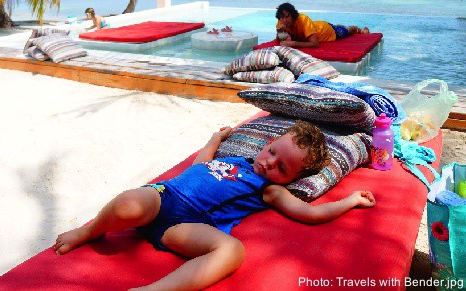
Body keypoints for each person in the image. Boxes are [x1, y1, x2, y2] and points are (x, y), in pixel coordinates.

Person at [54, 120, 376, 290]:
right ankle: (90, 231)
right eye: (273, 153)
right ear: (268, 144)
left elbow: (310, 213)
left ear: (290, 179)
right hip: (163, 196)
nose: (270, 164)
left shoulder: (270, 190)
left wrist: (350, 201)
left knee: (232, 251)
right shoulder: (236, 158)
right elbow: (199, 166)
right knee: (127, 203)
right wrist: (214, 140)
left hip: (185, 225)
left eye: (282, 168)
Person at [275, 2, 369, 48]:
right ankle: (339, 26)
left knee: (347, 31)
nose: (284, 20)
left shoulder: (303, 19)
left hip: (326, 31)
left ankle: (359, 29)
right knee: (338, 26)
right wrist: (279, 32)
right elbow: (282, 40)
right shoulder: (281, 20)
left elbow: (315, 44)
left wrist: (295, 44)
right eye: (282, 18)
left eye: (287, 17)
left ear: (293, 16)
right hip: (316, 25)